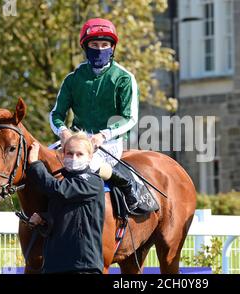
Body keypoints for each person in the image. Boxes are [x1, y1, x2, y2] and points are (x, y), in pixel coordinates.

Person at [49, 18, 140, 212]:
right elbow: (56, 114)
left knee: (89, 166)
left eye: (105, 45)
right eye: (94, 45)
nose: (100, 49)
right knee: (41, 163)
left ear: (112, 48)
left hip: (108, 142)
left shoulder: (124, 78)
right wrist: (63, 131)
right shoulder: (72, 79)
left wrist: (103, 134)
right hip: (74, 140)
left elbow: (130, 117)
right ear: (86, 47)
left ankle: (126, 184)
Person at [27, 133, 106, 274]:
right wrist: (42, 220)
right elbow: (65, 218)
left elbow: (58, 190)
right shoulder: (63, 181)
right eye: (70, 153)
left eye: (79, 154)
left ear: (90, 157)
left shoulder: (93, 182)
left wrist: (35, 164)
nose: (74, 158)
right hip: (53, 265)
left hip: (83, 267)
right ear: (63, 155)